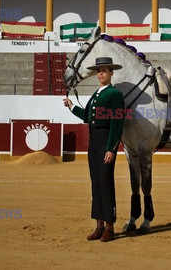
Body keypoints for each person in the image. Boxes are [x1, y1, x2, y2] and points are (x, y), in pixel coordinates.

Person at [63, 56, 125, 242]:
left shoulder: (115, 94)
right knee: (96, 184)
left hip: (105, 141)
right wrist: (72, 106)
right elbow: (87, 117)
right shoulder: (97, 93)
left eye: (104, 71)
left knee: (106, 184)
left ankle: (110, 228)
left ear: (111, 73)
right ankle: (99, 226)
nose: (101, 74)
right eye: (99, 71)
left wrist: (111, 149)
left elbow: (117, 123)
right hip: (93, 144)